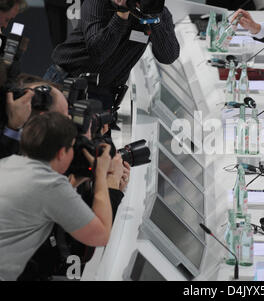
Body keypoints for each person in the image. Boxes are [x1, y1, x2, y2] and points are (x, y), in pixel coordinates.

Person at [0, 112, 114, 280]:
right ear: (62, 153)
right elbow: (101, 236)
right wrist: (101, 176)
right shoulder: (51, 185)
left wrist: (74, 183)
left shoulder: (8, 162)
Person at [44, 0, 180, 110]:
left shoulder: (159, 13)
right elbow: (99, 52)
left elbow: (168, 56)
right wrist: (121, 14)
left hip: (105, 93)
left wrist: (154, 20)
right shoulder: (99, 3)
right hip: (68, 81)